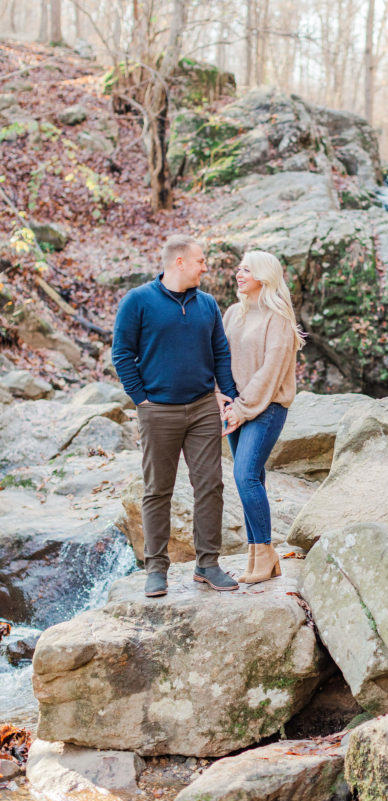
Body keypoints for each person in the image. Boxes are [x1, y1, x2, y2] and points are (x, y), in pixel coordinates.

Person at [112, 233, 239, 598]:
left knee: (211, 486)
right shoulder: (138, 301)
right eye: (200, 261)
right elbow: (122, 354)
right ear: (179, 262)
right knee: (157, 491)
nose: (205, 267)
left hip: (202, 408)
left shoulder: (208, 304)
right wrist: (141, 400)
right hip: (158, 411)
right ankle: (156, 569)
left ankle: (208, 564)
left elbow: (221, 354)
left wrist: (228, 396)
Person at [221, 250, 304, 584]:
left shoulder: (278, 318)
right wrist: (221, 398)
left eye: (246, 270)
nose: (239, 274)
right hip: (235, 407)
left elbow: (271, 371)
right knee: (250, 478)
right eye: (238, 268)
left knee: (245, 476)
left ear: (264, 277)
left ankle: (266, 551)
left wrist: (241, 410)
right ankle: (257, 557)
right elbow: (218, 357)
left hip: (267, 408)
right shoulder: (232, 314)